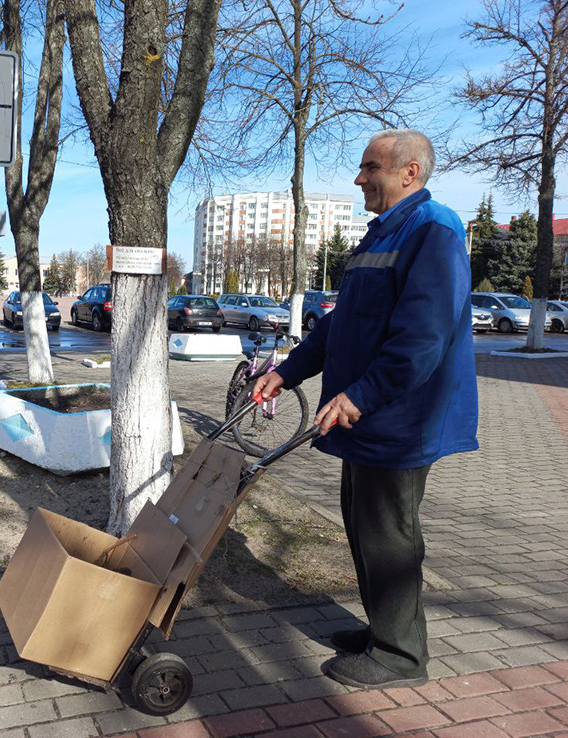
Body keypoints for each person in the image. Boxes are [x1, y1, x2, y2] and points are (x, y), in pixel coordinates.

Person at [254, 129, 478, 689]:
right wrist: (286, 372)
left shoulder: (433, 231)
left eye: (369, 167)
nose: (359, 179)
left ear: (409, 173)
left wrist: (360, 395)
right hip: (366, 420)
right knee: (363, 528)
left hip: (402, 421)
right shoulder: (382, 235)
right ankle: (385, 632)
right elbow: (338, 323)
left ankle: (402, 656)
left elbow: (422, 339)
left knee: (389, 537)